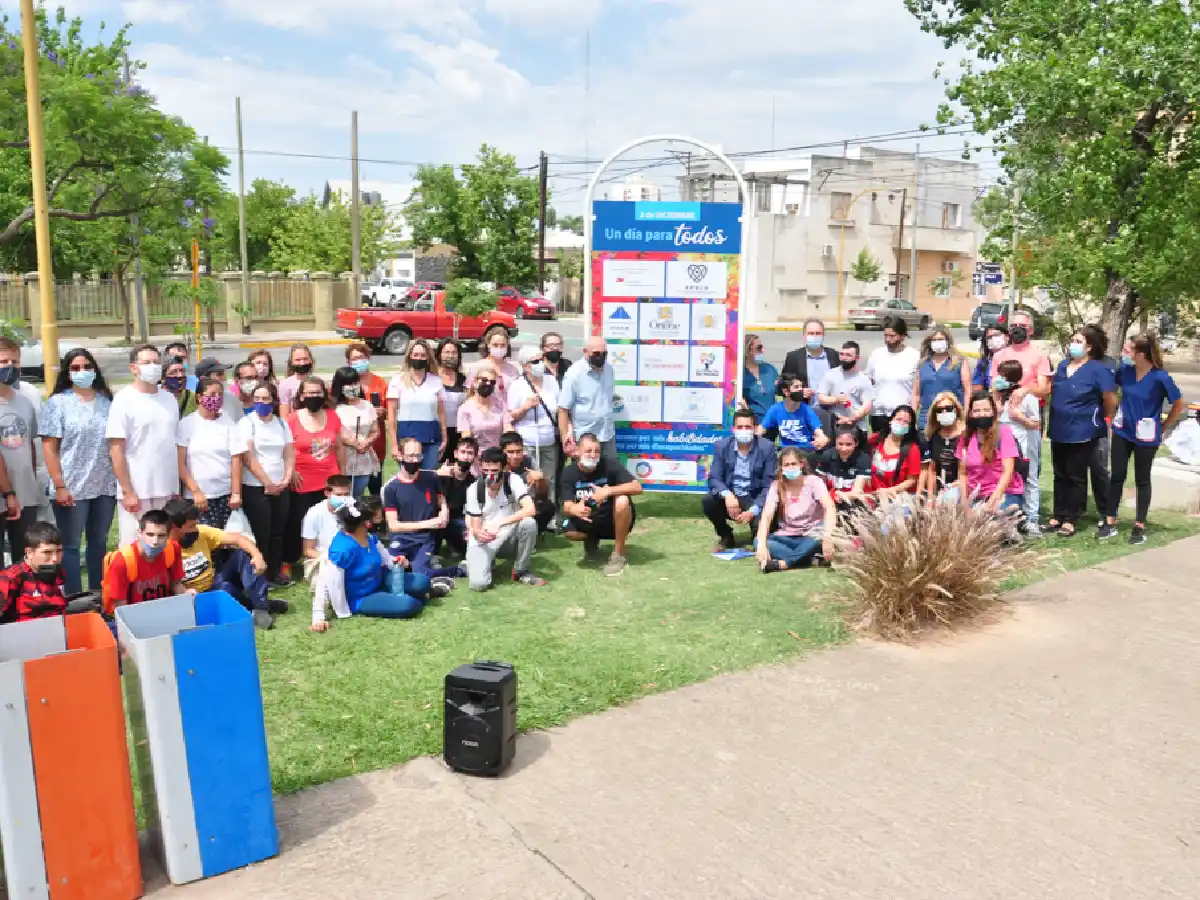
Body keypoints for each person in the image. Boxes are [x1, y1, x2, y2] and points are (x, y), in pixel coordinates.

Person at [40, 348, 118, 594]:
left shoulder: (108, 401)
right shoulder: (57, 403)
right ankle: (74, 597)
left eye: (86, 367)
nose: (82, 372)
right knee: (71, 546)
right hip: (71, 487)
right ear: (67, 372)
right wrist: (59, 485)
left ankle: (97, 594)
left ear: (95, 369)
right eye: (75, 368)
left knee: (98, 543)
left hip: (104, 485)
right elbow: (49, 447)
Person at [1099, 333, 1186, 544]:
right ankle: (1110, 522)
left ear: (1141, 354)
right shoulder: (1125, 371)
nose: (1123, 354)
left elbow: (1178, 404)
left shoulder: (1160, 377)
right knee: (1117, 475)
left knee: (1142, 479)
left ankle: (1139, 526)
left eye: (1128, 351)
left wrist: (1164, 427)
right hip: (1122, 430)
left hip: (1147, 435)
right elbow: (1111, 390)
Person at [310, 500, 435, 631]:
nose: (371, 524)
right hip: (361, 597)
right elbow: (325, 583)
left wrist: (397, 561)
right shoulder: (341, 550)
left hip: (380, 581)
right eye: (368, 521)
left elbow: (387, 559)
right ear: (361, 524)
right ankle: (419, 597)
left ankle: (417, 594)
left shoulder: (369, 537)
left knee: (422, 582)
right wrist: (318, 618)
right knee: (409, 605)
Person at [164, 498, 281, 631]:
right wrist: (185, 593)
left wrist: (257, 556)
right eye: (190, 527)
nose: (195, 530)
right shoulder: (164, 549)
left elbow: (238, 538)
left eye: (195, 525)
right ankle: (257, 606)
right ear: (173, 528)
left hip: (213, 582)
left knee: (243, 554)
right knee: (225, 589)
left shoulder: (201, 532)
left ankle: (261, 609)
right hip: (192, 598)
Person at [107, 344, 181, 545]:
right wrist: (127, 491)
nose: (153, 366)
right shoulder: (124, 400)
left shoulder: (169, 399)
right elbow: (116, 449)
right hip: (137, 491)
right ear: (134, 368)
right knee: (134, 547)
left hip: (166, 489)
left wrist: (175, 486)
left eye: (156, 362)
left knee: (163, 546)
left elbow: (173, 444)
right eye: (146, 362)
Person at [1048, 327, 1117, 537]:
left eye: (1078, 341)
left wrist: (1106, 418)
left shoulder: (1097, 369)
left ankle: (1071, 518)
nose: (1073, 345)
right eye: (1072, 340)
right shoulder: (1062, 366)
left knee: (1075, 474)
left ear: (1089, 347)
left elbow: (1110, 399)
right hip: (1059, 427)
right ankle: (1058, 514)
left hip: (1083, 429)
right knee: (1059, 473)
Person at [236, 381, 294, 587]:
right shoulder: (247, 423)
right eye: (257, 399)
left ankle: (275, 572)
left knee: (278, 531)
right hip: (256, 486)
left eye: (265, 399)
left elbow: (288, 453)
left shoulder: (281, 424)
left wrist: (286, 479)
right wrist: (267, 483)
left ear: (274, 401)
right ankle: (259, 573)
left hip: (280, 486)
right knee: (262, 532)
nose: (261, 403)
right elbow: (248, 457)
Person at [560, 432, 643, 577]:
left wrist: (608, 491)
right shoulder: (569, 473)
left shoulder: (609, 464)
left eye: (596, 451)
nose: (593, 455)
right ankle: (591, 540)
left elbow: (637, 487)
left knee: (622, 500)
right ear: (578, 451)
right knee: (570, 532)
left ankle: (618, 553)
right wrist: (575, 509)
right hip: (587, 518)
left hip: (611, 518)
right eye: (588, 451)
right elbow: (566, 506)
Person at [464, 446, 546, 590]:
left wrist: (500, 523)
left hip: (508, 536)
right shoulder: (474, 489)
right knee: (479, 585)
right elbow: (475, 524)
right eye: (486, 471)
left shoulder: (512, 480)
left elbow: (530, 509)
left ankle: (521, 571)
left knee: (529, 523)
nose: (490, 475)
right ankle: (482, 561)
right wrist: (478, 533)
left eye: (494, 471)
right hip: (486, 539)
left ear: (503, 468)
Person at [283, 377, 344, 568]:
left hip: (329, 480)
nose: (313, 396)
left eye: (317, 392)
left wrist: (342, 475)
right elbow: (285, 449)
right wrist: (290, 472)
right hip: (302, 481)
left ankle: (326, 554)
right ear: (301, 396)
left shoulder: (333, 416)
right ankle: (291, 560)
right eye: (309, 393)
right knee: (297, 522)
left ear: (323, 394)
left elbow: (340, 447)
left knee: (331, 520)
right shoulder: (292, 419)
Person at [383, 437, 462, 580]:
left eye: (418, 455)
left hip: (425, 539)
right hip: (401, 538)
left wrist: (444, 512)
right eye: (411, 456)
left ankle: (455, 570)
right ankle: (410, 565)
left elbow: (441, 500)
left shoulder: (431, 478)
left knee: (420, 574)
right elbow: (393, 526)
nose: (415, 460)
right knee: (388, 571)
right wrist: (429, 523)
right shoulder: (391, 488)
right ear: (400, 456)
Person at [754, 447, 837, 574]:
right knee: (758, 541)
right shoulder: (776, 486)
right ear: (781, 467)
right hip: (788, 536)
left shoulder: (814, 482)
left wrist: (827, 537)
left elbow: (829, 507)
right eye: (786, 465)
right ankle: (810, 560)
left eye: (794, 464)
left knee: (821, 530)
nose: (790, 467)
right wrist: (761, 544)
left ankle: (783, 564)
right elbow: (767, 514)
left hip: (812, 534)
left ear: (801, 464)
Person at [703, 409, 776, 551]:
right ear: (733, 429)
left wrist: (754, 510)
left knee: (760, 538)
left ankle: (757, 533)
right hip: (732, 497)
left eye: (748, 427)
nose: (743, 430)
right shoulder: (721, 446)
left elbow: (770, 485)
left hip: (754, 499)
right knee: (708, 501)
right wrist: (727, 495)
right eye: (740, 427)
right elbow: (714, 478)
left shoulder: (767, 448)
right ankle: (726, 536)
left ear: (755, 428)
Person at [177, 376, 241, 530]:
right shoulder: (187, 424)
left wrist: (236, 492)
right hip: (199, 497)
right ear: (199, 397)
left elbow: (236, 459)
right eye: (212, 394)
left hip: (225, 495)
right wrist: (196, 492)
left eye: (220, 395)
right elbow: (180, 463)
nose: (217, 398)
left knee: (228, 541)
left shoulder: (228, 422)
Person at [100, 508, 186, 614]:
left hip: (165, 611)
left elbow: (176, 584)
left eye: (161, 536)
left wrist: (186, 596)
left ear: (168, 536)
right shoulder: (122, 561)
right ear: (140, 533)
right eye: (150, 534)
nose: (155, 542)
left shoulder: (173, 549)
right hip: (134, 615)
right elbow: (120, 606)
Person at [956, 391, 1025, 517]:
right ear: (970, 413)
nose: (982, 414)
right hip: (975, 493)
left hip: (1003, 493)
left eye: (986, 410)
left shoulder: (1003, 432)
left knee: (988, 516)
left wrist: (991, 503)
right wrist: (965, 504)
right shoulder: (965, 437)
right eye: (977, 411)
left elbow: (1007, 472)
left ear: (993, 411)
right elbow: (962, 473)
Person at [993, 360, 1042, 533]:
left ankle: (1032, 519)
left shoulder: (1028, 398)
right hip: (1003, 445)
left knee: (1029, 479)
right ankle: (1011, 516)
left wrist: (1020, 417)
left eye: (1002, 375)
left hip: (1024, 443)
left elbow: (1035, 424)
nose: (998, 378)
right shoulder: (998, 396)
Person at [508, 345, 559, 505]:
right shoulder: (517, 386)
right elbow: (510, 417)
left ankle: (548, 514)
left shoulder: (551, 381)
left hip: (549, 441)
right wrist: (525, 407)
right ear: (525, 366)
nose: (540, 363)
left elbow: (560, 409)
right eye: (535, 361)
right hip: (528, 442)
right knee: (530, 480)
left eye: (541, 359)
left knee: (549, 479)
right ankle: (529, 511)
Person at [386, 339, 446, 472]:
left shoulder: (436, 381)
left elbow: (441, 413)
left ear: (428, 358)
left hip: (431, 437)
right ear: (409, 356)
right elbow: (391, 417)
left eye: (423, 355)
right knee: (409, 477)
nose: (419, 358)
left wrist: (445, 438)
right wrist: (394, 445)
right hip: (406, 438)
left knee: (428, 477)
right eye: (416, 355)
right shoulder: (397, 381)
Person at [558, 336, 616, 460]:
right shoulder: (574, 374)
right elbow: (563, 409)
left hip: (607, 434)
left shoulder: (609, 369)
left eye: (604, 353)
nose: (600, 356)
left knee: (610, 475)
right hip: (585, 439)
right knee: (586, 476)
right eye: (596, 353)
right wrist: (565, 438)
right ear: (585, 352)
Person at [0, 522, 68, 623]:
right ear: (29, 552)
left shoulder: (58, 572)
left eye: (58, 551)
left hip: (58, 630)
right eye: (47, 552)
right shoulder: (10, 579)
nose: (55, 558)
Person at [346, 342, 389, 496]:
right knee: (351, 491)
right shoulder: (346, 384)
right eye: (354, 359)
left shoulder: (380, 383)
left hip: (376, 443)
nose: (359, 361)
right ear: (348, 363)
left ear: (368, 359)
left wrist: (382, 412)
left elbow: (391, 412)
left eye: (362, 357)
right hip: (351, 447)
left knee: (375, 488)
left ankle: (376, 517)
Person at [332, 365, 381, 497]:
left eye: (355, 383)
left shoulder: (367, 406)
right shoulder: (333, 409)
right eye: (348, 384)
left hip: (363, 459)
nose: (352, 387)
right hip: (341, 460)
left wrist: (366, 442)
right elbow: (333, 434)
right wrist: (352, 443)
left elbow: (375, 431)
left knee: (356, 497)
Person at [865, 317, 920, 433]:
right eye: (885, 335)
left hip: (902, 415)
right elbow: (869, 382)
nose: (888, 339)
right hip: (878, 414)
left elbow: (917, 389)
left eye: (892, 336)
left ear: (902, 336)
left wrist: (913, 414)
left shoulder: (913, 356)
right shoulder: (876, 355)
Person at [912, 326, 972, 429]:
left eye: (940, 339)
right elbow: (916, 394)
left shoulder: (958, 362)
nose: (937, 342)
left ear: (947, 341)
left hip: (952, 416)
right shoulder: (923, 364)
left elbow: (967, 391)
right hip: (926, 418)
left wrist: (965, 414)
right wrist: (913, 418)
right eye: (934, 340)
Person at [457, 360, 513, 470]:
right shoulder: (465, 408)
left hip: (498, 458)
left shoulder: (501, 405)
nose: (488, 384)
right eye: (484, 380)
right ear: (474, 382)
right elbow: (467, 439)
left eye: (492, 382)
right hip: (477, 460)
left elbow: (508, 428)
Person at [499, 431, 556, 532]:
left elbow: (543, 495)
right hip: (503, 506)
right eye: (510, 452)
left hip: (525, 504)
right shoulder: (497, 463)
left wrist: (540, 480)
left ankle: (534, 535)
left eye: (518, 451)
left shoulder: (529, 461)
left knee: (548, 506)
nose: (515, 456)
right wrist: (524, 478)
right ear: (502, 451)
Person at [301, 475, 353, 584]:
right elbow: (308, 550)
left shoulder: (353, 510)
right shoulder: (314, 513)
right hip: (323, 558)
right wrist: (331, 560)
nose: (343, 498)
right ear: (327, 493)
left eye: (346, 494)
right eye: (338, 495)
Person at [816, 341, 873, 440]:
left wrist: (852, 419)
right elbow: (821, 397)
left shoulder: (863, 379)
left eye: (848, 355)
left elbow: (867, 404)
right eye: (842, 354)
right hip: (835, 425)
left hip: (857, 427)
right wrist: (836, 399)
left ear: (857, 358)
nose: (844, 358)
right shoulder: (830, 374)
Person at [990, 308, 1052, 399]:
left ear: (1031, 331)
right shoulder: (998, 356)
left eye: (1022, 325)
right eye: (1013, 325)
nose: (1017, 328)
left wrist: (1026, 390)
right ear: (1009, 330)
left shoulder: (1040, 356)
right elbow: (993, 387)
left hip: (1029, 407)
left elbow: (1044, 390)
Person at [866, 405, 922, 500]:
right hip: (873, 495)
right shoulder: (877, 439)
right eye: (898, 419)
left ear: (909, 427)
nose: (901, 423)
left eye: (906, 422)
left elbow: (912, 480)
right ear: (890, 421)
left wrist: (890, 491)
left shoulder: (912, 449)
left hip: (898, 497)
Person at [760, 374, 829, 450]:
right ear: (786, 391)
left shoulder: (806, 409)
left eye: (801, 387)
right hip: (786, 451)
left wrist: (822, 439)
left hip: (805, 450)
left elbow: (818, 431)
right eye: (796, 387)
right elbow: (762, 429)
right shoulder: (776, 409)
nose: (800, 389)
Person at [815, 426, 872, 519]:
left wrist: (842, 496)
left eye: (848, 444)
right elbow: (821, 485)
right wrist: (831, 497)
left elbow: (857, 492)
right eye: (840, 444)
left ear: (856, 443)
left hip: (854, 503)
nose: (843, 448)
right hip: (830, 501)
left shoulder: (864, 459)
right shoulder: (827, 456)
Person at [781, 318, 839, 409]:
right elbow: (784, 385)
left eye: (818, 333)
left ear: (823, 335)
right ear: (804, 336)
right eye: (811, 333)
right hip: (804, 411)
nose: (815, 336)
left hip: (831, 412)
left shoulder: (834, 355)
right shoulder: (793, 357)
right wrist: (799, 392)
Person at [435, 437, 477, 561]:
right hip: (436, 517)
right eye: (463, 452)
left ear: (474, 457)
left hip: (457, 520)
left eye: (470, 453)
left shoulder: (472, 481)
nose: (465, 457)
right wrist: (436, 474)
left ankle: (454, 545)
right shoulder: (441, 470)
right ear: (456, 453)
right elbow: (419, 478)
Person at [919, 392, 965, 502]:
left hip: (959, 486)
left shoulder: (965, 435)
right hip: (940, 487)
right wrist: (930, 498)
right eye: (939, 410)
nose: (944, 412)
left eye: (948, 408)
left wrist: (951, 488)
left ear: (956, 410)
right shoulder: (934, 436)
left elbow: (964, 472)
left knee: (949, 498)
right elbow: (932, 470)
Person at [435, 339, 467, 463]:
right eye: (446, 352)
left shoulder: (463, 379)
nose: (450, 356)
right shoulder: (432, 378)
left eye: (454, 352)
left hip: (457, 431)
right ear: (439, 354)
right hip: (437, 431)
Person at [467, 328, 520, 397]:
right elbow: (470, 393)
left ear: (507, 346)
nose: (499, 348)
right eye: (495, 345)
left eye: (503, 345)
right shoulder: (478, 367)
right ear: (488, 345)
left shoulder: (513, 370)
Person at [742, 333, 779, 422]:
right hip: (752, 423)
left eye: (762, 347)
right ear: (748, 350)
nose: (762, 350)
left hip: (772, 422)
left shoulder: (770, 369)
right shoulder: (741, 373)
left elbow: (781, 391)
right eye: (758, 348)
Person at [278, 343, 317, 418]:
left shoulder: (318, 383)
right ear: (291, 362)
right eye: (298, 360)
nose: (302, 363)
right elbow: (284, 416)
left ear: (311, 360)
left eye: (305, 359)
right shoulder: (285, 385)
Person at [973, 325, 1008, 392]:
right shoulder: (983, 362)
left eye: (996, 335)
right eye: (989, 337)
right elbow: (976, 387)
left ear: (1007, 337)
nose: (993, 339)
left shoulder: (1016, 357)